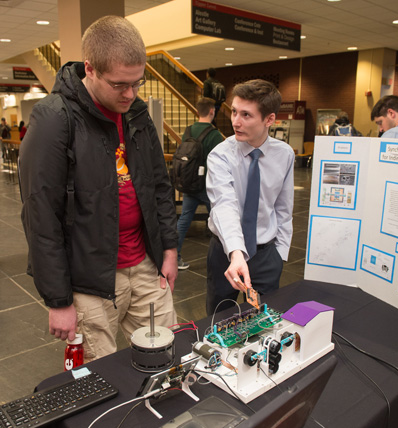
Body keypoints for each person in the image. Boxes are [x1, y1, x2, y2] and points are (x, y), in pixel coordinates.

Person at [19, 15, 178, 363]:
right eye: (120, 84)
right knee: (102, 381)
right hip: (90, 280)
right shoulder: (55, 118)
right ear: (89, 69)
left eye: (138, 82)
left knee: (166, 360)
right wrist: (58, 300)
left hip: (146, 264)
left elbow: (159, 187)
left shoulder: (136, 114)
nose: (131, 94)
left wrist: (169, 249)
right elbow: (40, 215)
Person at [206, 79, 294, 315]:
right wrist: (236, 253)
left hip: (266, 255)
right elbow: (224, 205)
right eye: (234, 111)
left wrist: (280, 254)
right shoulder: (220, 155)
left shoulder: (284, 155)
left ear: (269, 120)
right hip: (225, 253)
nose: (236, 121)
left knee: (262, 321)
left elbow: (284, 208)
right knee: (218, 320)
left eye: (246, 115)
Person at [177, 97, 224, 270]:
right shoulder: (214, 134)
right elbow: (220, 162)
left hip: (189, 184)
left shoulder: (188, 131)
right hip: (208, 186)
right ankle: (222, 259)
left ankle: (175, 257)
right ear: (212, 111)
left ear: (197, 111)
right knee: (219, 222)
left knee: (184, 220)